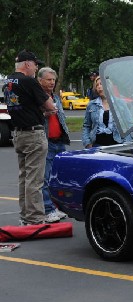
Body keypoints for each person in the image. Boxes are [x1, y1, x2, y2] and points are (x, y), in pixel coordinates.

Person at [4, 50, 57, 225]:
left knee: (24, 177)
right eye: (35, 64)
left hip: (18, 132)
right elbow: (49, 105)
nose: (36, 67)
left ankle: (25, 216)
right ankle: (35, 218)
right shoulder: (29, 81)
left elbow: (22, 104)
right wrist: (48, 108)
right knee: (35, 179)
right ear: (27, 64)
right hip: (33, 133)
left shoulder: (8, 81)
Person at [38, 66, 70, 223]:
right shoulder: (38, 97)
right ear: (40, 80)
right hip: (47, 142)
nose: (52, 82)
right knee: (45, 177)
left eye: (53, 80)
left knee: (57, 178)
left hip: (59, 142)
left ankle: (55, 206)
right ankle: (47, 209)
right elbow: (35, 117)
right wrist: (44, 114)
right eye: (48, 80)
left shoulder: (56, 97)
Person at [82, 75, 133, 148]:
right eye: (97, 85)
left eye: (101, 84)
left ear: (109, 86)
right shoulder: (91, 105)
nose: (99, 87)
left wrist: (126, 144)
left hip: (117, 145)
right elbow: (86, 126)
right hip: (97, 146)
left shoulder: (120, 103)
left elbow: (129, 125)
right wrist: (87, 143)